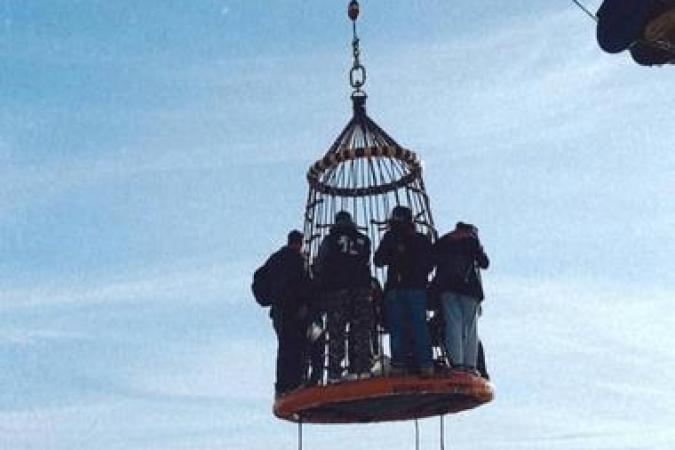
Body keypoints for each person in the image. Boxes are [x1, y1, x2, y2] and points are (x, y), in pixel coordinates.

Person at [374, 206, 434, 377]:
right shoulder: (421, 239)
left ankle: (401, 365)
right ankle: (424, 364)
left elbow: (378, 260)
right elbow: (430, 264)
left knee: (399, 327)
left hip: (398, 288)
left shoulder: (392, 237)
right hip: (415, 288)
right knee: (417, 326)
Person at [316, 211, 373, 382]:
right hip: (361, 289)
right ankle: (361, 368)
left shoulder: (330, 241)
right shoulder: (364, 240)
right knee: (361, 329)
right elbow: (366, 259)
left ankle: (334, 372)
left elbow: (321, 262)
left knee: (336, 331)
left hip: (337, 290)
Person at [432, 222, 489, 373]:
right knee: (470, 328)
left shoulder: (445, 240)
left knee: (452, 325)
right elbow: (484, 263)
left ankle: (456, 364)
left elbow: (432, 260)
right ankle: (470, 365)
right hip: (469, 289)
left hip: (447, 287)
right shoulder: (471, 240)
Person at [266, 230, 311, 396]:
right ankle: (295, 383)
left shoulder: (275, 259)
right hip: (295, 311)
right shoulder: (298, 261)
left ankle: (282, 386)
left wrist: (269, 298)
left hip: (279, 311)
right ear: (300, 243)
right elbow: (304, 285)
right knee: (297, 348)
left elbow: (260, 279)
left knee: (284, 348)